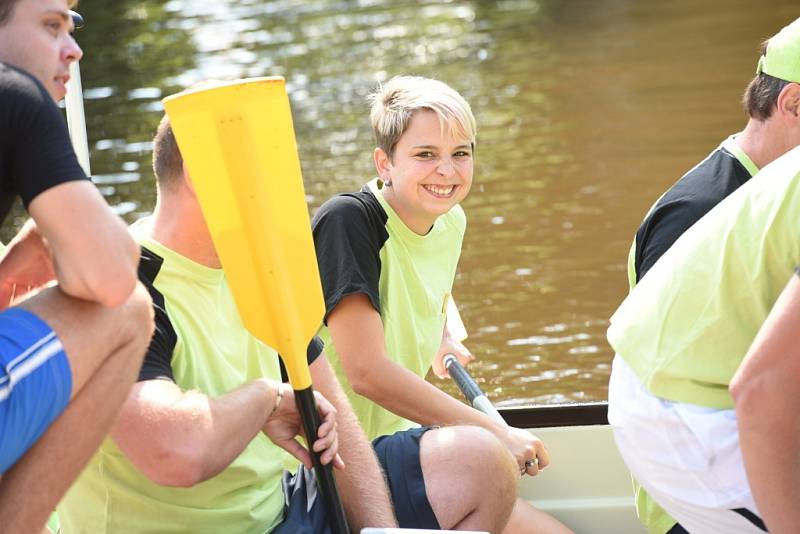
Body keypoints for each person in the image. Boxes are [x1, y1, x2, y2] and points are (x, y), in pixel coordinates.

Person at [58, 105, 522, 532]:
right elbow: (175, 456)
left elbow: (336, 417)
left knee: (480, 461)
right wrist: (265, 396)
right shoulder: (122, 287)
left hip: (281, 512)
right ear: (205, 175)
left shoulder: (263, 271)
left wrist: (383, 531)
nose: (286, 190)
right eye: (268, 170)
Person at [312, 75, 571, 533]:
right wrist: (496, 431)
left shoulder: (449, 220)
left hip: (400, 443)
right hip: (338, 468)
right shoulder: (349, 221)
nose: (447, 172)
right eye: (425, 155)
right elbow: (366, 373)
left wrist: (440, 334)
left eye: (461, 154)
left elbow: (427, 288)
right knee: (486, 460)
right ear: (384, 162)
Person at [623, 16, 800, 533]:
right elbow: (738, 380)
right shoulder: (698, 208)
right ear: (793, 104)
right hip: (696, 496)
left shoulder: (763, 192)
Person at [0, 0, 154, 532]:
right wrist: (64, 243)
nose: (74, 49)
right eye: (50, 26)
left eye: (72, 26)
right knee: (129, 314)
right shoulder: (14, 96)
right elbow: (111, 277)